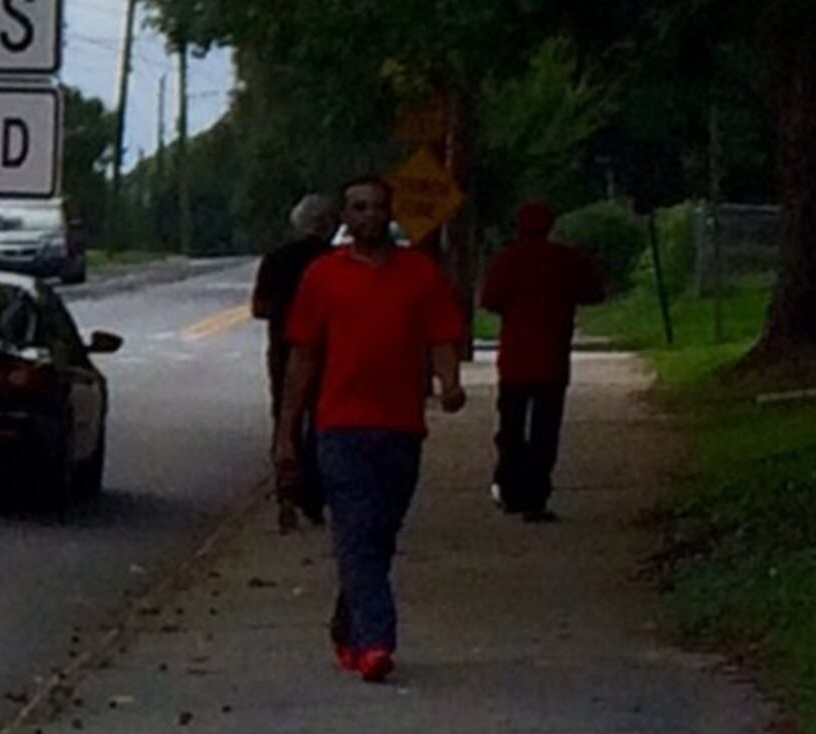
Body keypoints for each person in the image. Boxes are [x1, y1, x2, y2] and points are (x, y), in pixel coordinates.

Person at [276, 173, 470, 683]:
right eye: (357, 208)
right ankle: (377, 642)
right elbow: (303, 357)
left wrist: (449, 384)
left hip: (401, 426)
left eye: (376, 207)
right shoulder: (323, 276)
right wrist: (286, 433)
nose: (367, 216)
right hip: (339, 427)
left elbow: (443, 336)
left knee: (379, 536)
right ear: (344, 217)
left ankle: (349, 623)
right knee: (358, 533)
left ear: (390, 214)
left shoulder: (419, 274)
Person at [478, 201, 608, 521]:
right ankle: (536, 497)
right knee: (544, 431)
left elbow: (490, 300)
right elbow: (593, 292)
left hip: (514, 360)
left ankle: (510, 488)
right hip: (552, 357)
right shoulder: (566, 260)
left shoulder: (506, 260)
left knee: (511, 428)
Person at [250, 193, 337, 527]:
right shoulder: (335, 262)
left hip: (284, 349)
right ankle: (314, 494)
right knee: (321, 420)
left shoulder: (276, 259)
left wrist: (287, 314)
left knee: (285, 418)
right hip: (328, 350)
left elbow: (259, 308)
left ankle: (286, 493)